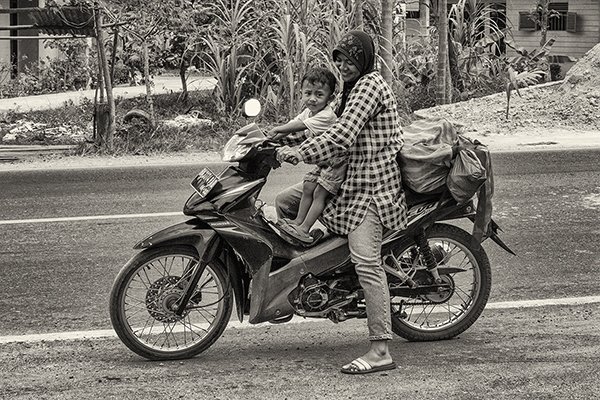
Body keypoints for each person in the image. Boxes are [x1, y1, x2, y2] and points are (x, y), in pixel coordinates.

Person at [275, 31, 408, 375]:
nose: (344, 66)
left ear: (363, 61)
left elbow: (343, 134)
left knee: (367, 263)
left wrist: (300, 153)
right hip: (348, 181)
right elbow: (320, 123)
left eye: (350, 60)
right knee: (285, 202)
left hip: (372, 187)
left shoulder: (369, 87)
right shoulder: (349, 90)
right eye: (340, 60)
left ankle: (380, 350)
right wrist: (271, 136)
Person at [268, 67, 346, 244]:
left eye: (319, 95)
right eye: (308, 93)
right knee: (308, 185)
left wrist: (277, 130)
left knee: (319, 193)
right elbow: (293, 123)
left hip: (336, 164)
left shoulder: (326, 115)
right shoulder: (309, 112)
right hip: (323, 164)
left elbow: (299, 126)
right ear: (301, 93)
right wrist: (268, 139)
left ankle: (305, 228)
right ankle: (298, 222)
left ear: (329, 98)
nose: (312, 98)